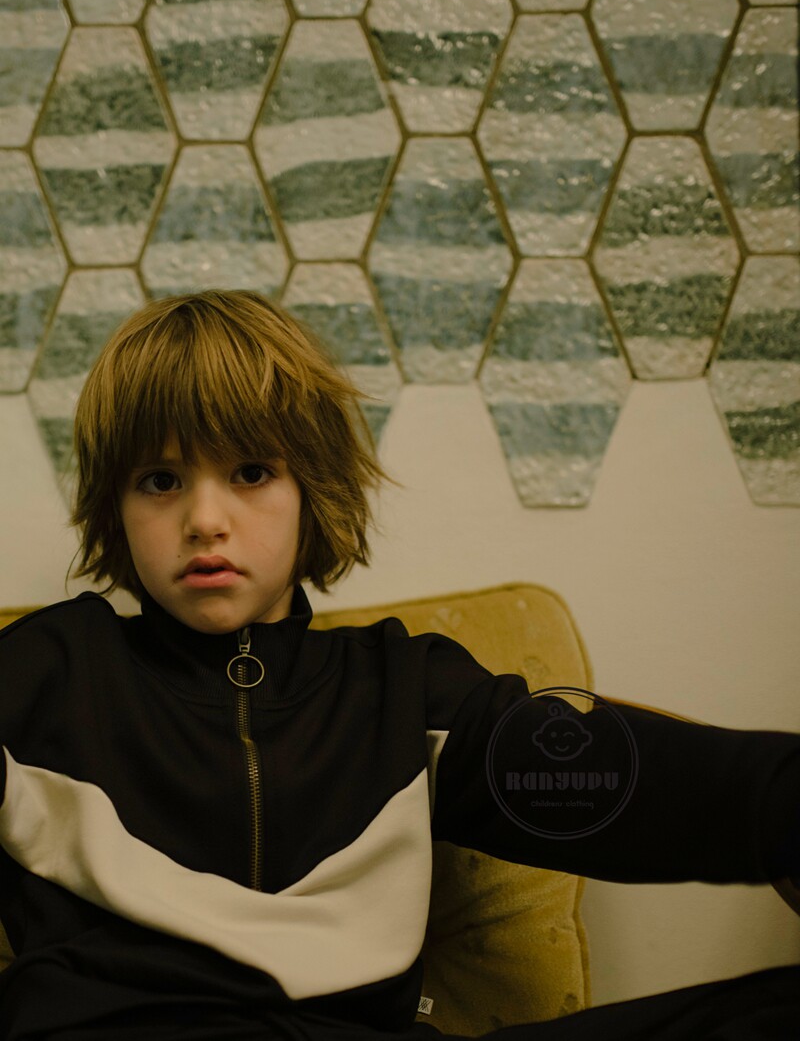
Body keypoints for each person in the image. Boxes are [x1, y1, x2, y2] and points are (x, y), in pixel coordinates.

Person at [0, 289, 798, 1041]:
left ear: (311, 488)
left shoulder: (404, 691)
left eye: (251, 472)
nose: (205, 519)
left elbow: (637, 784)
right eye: (160, 480)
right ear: (117, 510)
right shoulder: (48, 672)